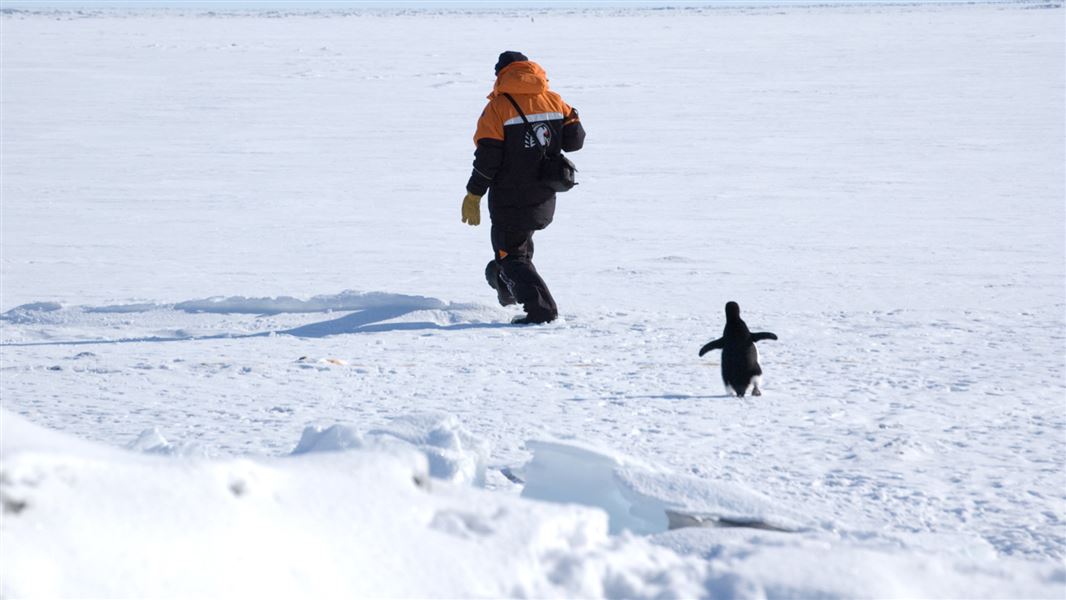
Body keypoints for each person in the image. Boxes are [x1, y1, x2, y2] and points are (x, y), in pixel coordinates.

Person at [461, 51, 586, 325]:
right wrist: (569, 115)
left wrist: (474, 193)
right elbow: (575, 141)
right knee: (517, 251)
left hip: (510, 196)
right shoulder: (554, 100)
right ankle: (506, 285)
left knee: (511, 256)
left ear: (501, 74)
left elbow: (488, 158)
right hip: (544, 194)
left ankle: (542, 311)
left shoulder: (498, 108)